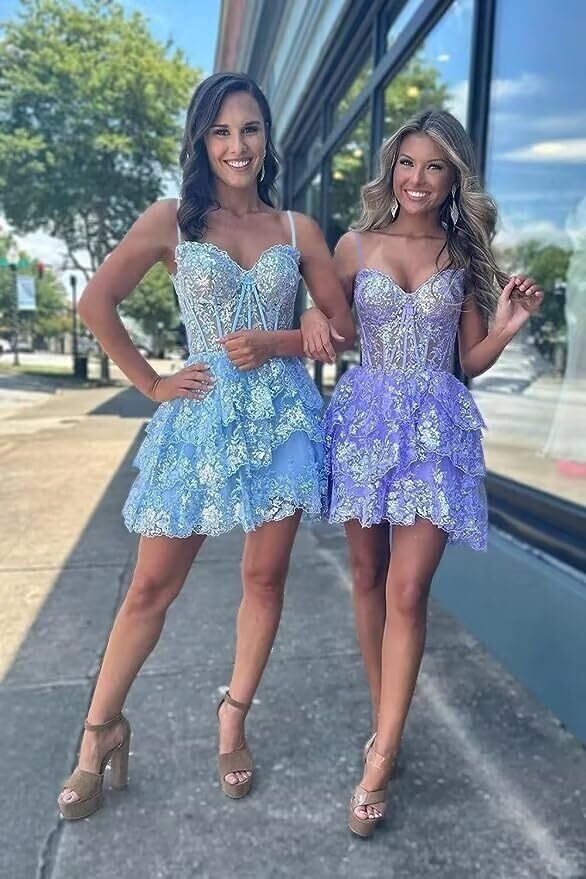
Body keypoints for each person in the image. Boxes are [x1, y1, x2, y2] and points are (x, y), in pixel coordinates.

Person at [57, 72, 354, 820]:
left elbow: (344, 328)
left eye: (249, 129)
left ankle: (233, 717)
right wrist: (152, 384)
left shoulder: (299, 230)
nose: (236, 145)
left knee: (264, 578)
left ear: (267, 138)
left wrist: (291, 333)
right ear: (201, 141)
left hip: (282, 419)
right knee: (150, 586)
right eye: (221, 131)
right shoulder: (173, 220)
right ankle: (100, 731)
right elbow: (96, 302)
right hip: (198, 419)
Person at [301, 108, 543, 837]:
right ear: (392, 169)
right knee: (366, 575)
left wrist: (505, 328)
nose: (417, 179)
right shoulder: (354, 244)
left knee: (408, 589)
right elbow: (335, 325)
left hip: (436, 429)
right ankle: (389, 723)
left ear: (453, 180)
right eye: (407, 163)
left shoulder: (460, 255)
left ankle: (379, 755)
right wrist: (310, 319)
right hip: (364, 421)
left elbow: (466, 361)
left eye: (435, 167)